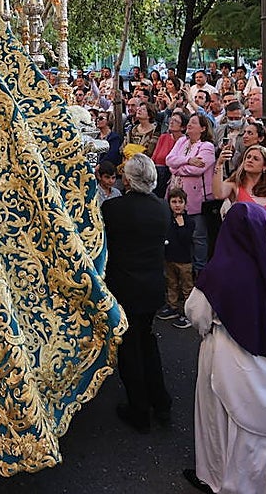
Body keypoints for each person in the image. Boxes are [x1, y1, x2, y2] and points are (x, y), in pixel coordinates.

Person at [182, 202, 266, 494]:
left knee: (222, 420)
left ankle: (218, 478)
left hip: (228, 354)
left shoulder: (219, 271)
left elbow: (197, 313)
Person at [101, 155, 172, 433]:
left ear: (127, 179)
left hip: (125, 285)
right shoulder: (163, 208)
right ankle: (161, 402)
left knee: (130, 347)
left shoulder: (114, 208)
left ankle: (139, 409)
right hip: (152, 284)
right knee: (147, 339)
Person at [165, 112, 216, 273]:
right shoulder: (181, 141)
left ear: (202, 128)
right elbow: (169, 161)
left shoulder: (207, 146)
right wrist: (187, 160)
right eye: (190, 122)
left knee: (198, 236)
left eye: (194, 123)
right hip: (175, 194)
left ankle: (200, 271)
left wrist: (177, 168)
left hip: (195, 199)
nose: (189, 125)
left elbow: (197, 169)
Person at [156, 187, 194, 328]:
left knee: (186, 287)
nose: (177, 205)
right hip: (169, 258)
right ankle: (172, 307)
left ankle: (189, 313)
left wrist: (181, 225)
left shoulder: (189, 221)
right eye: (174, 202)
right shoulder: (167, 220)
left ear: (185, 204)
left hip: (184, 261)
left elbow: (185, 239)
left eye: (180, 201)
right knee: (171, 284)